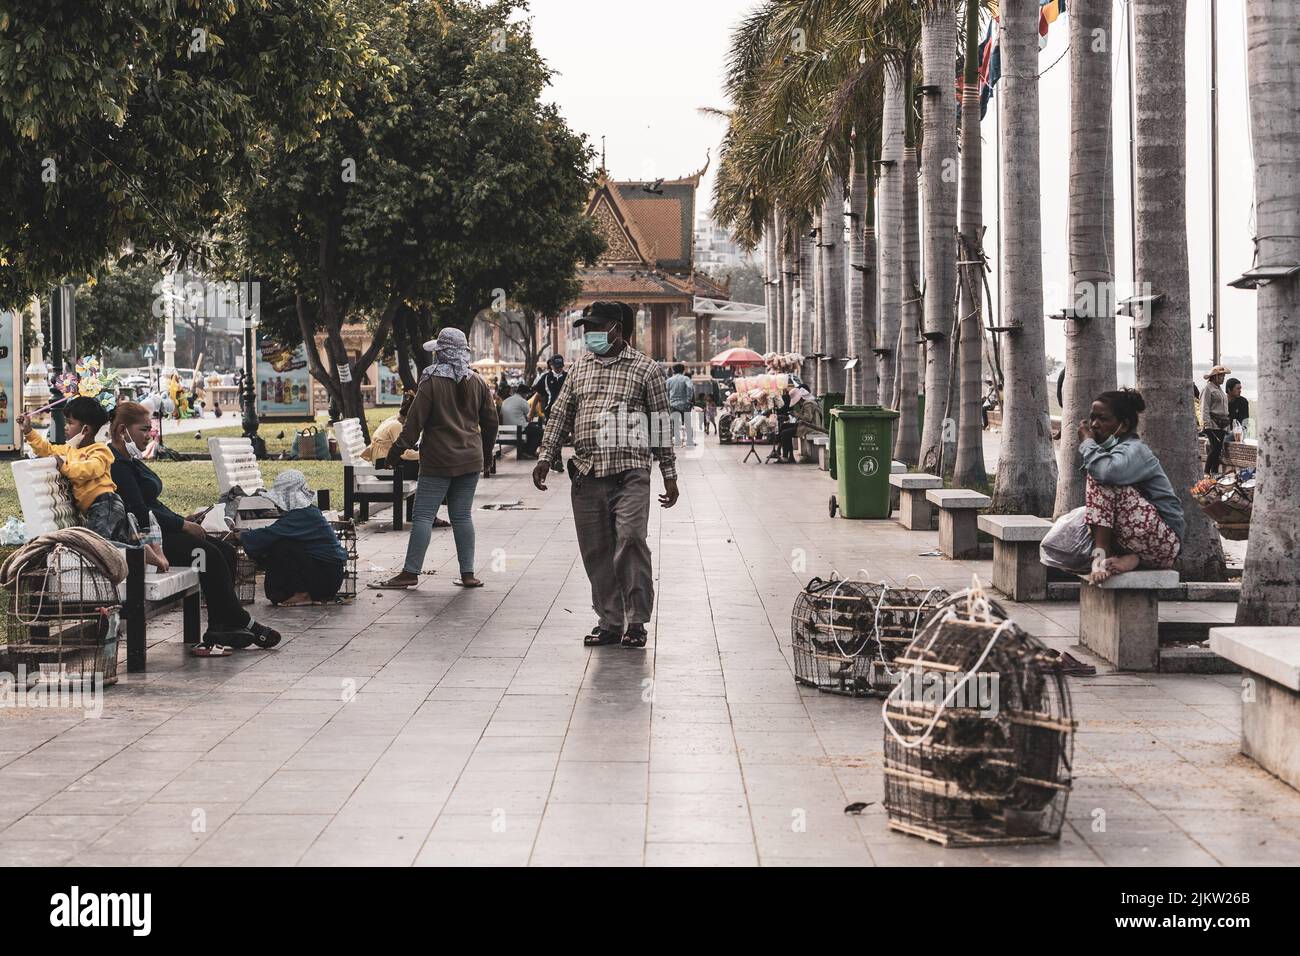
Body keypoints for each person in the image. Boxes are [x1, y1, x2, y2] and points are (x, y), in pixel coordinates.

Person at [532, 300, 679, 649]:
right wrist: (545, 456)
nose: (590, 334)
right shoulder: (579, 369)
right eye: (587, 328)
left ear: (616, 328)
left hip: (630, 473)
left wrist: (669, 474)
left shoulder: (646, 369)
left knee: (630, 540)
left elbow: (660, 424)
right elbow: (560, 417)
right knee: (596, 550)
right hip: (586, 473)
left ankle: (637, 621)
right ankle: (611, 621)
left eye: (596, 327)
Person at [108, 401, 281, 654]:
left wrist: (185, 518)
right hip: (145, 542)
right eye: (144, 430)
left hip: (160, 531)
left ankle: (220, 625)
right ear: (123, 430)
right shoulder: (116, 465)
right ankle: (243, 620)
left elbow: (152, 503)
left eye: (150, 429)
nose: (149, 435)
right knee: (208, 556)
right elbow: (138, 510)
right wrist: (182, 525)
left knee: (226, 552)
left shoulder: (130, 460)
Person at [372, 328, 498, 590]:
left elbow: (413, 423)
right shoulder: (477, 381)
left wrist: (394, 454)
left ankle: (410, 573)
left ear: (442, 353)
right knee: (462, 516)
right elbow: (491, 423)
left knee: (423, 517)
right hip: (470, 459)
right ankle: (468, 575)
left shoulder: (431, 381)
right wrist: (486, 457)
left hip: (438, 461)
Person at [1077, 389, 1184, 584]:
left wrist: (1087, 443)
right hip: (1144, 546)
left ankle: (1099, 557)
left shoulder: (1135, 450)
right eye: (1092, 419)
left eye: (1103, 419)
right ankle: (1133, 558)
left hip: (1164, 542)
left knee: (1101, 476)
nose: (1094, 425)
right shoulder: (1111, 451)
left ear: (1124, 425)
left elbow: (1106, 472)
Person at [17, 398, 144, 554]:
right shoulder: (69, 450)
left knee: (96, 548)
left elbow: (91, 469)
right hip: (95, 509)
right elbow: (46, 449)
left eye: (70, 423)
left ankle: (144, 553)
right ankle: (143, 551)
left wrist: (65, 467)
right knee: (108, 545)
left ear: (86, 429)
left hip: (106, 504)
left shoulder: (100, 450)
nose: (65, 427)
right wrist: (28, 431)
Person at [235, 470, 347, 606]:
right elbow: (274, 532)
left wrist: (242, 535)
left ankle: (302, 593)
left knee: (282, 547)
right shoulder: (306, 512)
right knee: (281, 545)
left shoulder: (303, 515)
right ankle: (297, 592)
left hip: (325, 579)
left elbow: (270, 534)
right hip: (327, 578)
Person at [1201, 365, 1231, 474]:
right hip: (1212, 424)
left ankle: (1214, 473)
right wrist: (1207, 425)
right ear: (1214, 377)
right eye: (1221, 376)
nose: (1223, 378)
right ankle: (1206, 473)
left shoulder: (1219, 389)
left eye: (1223, 376)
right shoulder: (1208, 388)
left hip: (1222, 424)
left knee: (1218, 450)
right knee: (1214, 449)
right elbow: (1204, 407)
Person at [500, 384, 542, 459]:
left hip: (506, 429)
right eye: (527, 394)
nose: (527, 396)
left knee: (532, 429)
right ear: (524, 394)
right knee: (539, 431)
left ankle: (525, 451)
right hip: (519, 428)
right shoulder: (522, 401)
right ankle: (529, 452)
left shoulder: (506, 400)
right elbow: (530, 415)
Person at [665, 362, 696, 448]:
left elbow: (666, 392)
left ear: (674, 370)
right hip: (685, 404)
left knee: (674, 423)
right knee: (687, 422)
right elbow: (690, 388)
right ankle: (689, 440)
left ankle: (674, 440)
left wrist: (668, 401)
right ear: (683, 370)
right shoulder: (686, 379)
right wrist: (688, 399)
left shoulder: (669, 380)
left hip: (673, 404)